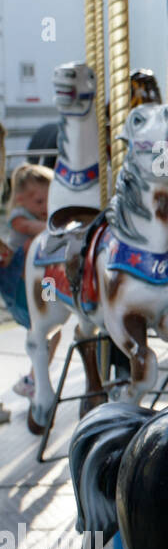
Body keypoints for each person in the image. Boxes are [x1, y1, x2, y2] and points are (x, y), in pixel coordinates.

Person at [1, 164, 58, 399]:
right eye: (39, 202)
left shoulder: (41, 218)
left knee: (54, 331)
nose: (45, 208)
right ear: (21, 200)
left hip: (40, 283)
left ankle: (34, 379)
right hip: (18, 286)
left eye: (49, 200)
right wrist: (62, 227)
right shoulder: (18, 217)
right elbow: (37, 229)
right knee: (34, 247)